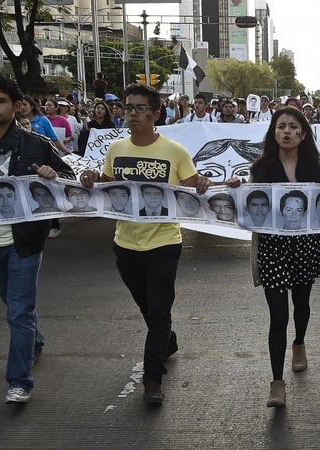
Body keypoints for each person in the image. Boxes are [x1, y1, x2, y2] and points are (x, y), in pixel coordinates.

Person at [78, 83, 216, 405]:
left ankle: (152, 379)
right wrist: (91, 177)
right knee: (148, 308)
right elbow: (108, 184)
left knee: (159, 309)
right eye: (128, 108)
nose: (133, 113)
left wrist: (209, 182)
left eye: (140, 109)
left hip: (165, 243)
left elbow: (195, 185)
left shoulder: (174, 151)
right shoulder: (116, 150)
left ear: (155, 115)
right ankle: (166, 341)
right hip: (125, 244)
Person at [0, 73, 75, 403]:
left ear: (17, 106)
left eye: (0, 101)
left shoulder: (36, 143)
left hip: (24, 242)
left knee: (18, 311)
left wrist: (54, 175)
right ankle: (34, 343)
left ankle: (19, 380)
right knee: (13, 304)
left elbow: (70, 176)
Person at [248, 107, 320, 407]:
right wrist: (237, 188)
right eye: (281, 126)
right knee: (278, 316)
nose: (286, 131)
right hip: (272, 247)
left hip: (305, 246)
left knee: (301, 305)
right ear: (273, 132)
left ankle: (299, 343)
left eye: (293, 126)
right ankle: (277, 382)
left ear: (303, 133)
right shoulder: (261, 167)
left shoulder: (314, 168)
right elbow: (250, 201)